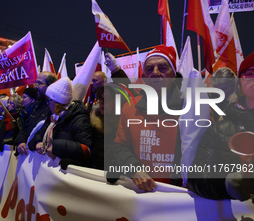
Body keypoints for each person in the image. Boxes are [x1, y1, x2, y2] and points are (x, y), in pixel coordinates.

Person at [111, 45, 183, 191]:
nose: (155, 73)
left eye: (162, 68)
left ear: (173, 75)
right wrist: (134, 169)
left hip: (181, 197)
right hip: (141, 193)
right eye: (149, 69)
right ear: (144, 77)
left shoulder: (192, 109)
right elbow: (119, 146)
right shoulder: (130, 108)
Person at [189, 51, 254, 201]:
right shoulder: (219, 130)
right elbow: (196, 177)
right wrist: (226, 184)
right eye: (249, 73)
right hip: (237, 220)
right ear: (240, 83)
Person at [28, 77, 92, 168]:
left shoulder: (79, 117)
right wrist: (38, 142)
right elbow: (39, 134)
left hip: (67, 172)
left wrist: (55, 146)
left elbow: (86, 150)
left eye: (49, 100)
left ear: (58, 102)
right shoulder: (53, 116)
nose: (47, 103)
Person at [14, 71, 57, 156]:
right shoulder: (37, 106)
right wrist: (20, 141)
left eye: (40, 83)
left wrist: (37, 142)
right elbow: (26, 128)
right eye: (36, 83)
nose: (36, 86)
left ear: (51, 85)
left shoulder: (53, 107)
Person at [90, 85, 121, 170]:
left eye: (107, 99)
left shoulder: (123, 125)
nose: (102, 102)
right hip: (95, 175)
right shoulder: (93, 124)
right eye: (100, 99)